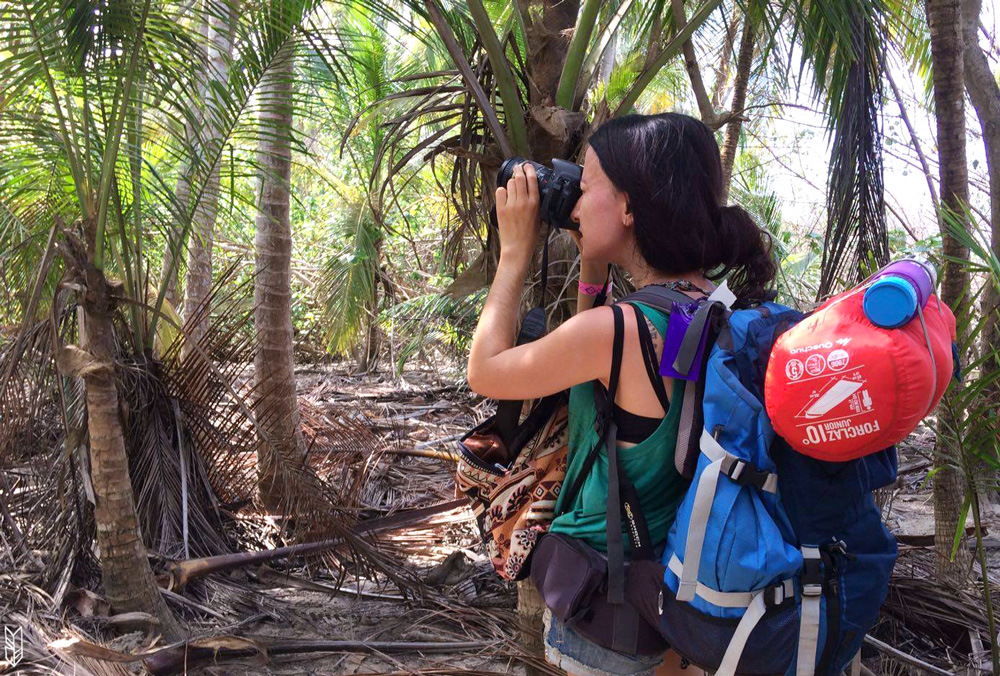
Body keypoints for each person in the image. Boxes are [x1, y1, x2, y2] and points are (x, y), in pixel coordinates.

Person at [466, 112, 777, 676]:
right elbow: (604, 391)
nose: (575, 205)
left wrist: (513, 253)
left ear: (630, 207)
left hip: (600, 620)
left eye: (585, 188)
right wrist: (592, 262)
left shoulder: (614, 332)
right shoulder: (716, 309)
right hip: (672, 606)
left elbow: (485, 372)